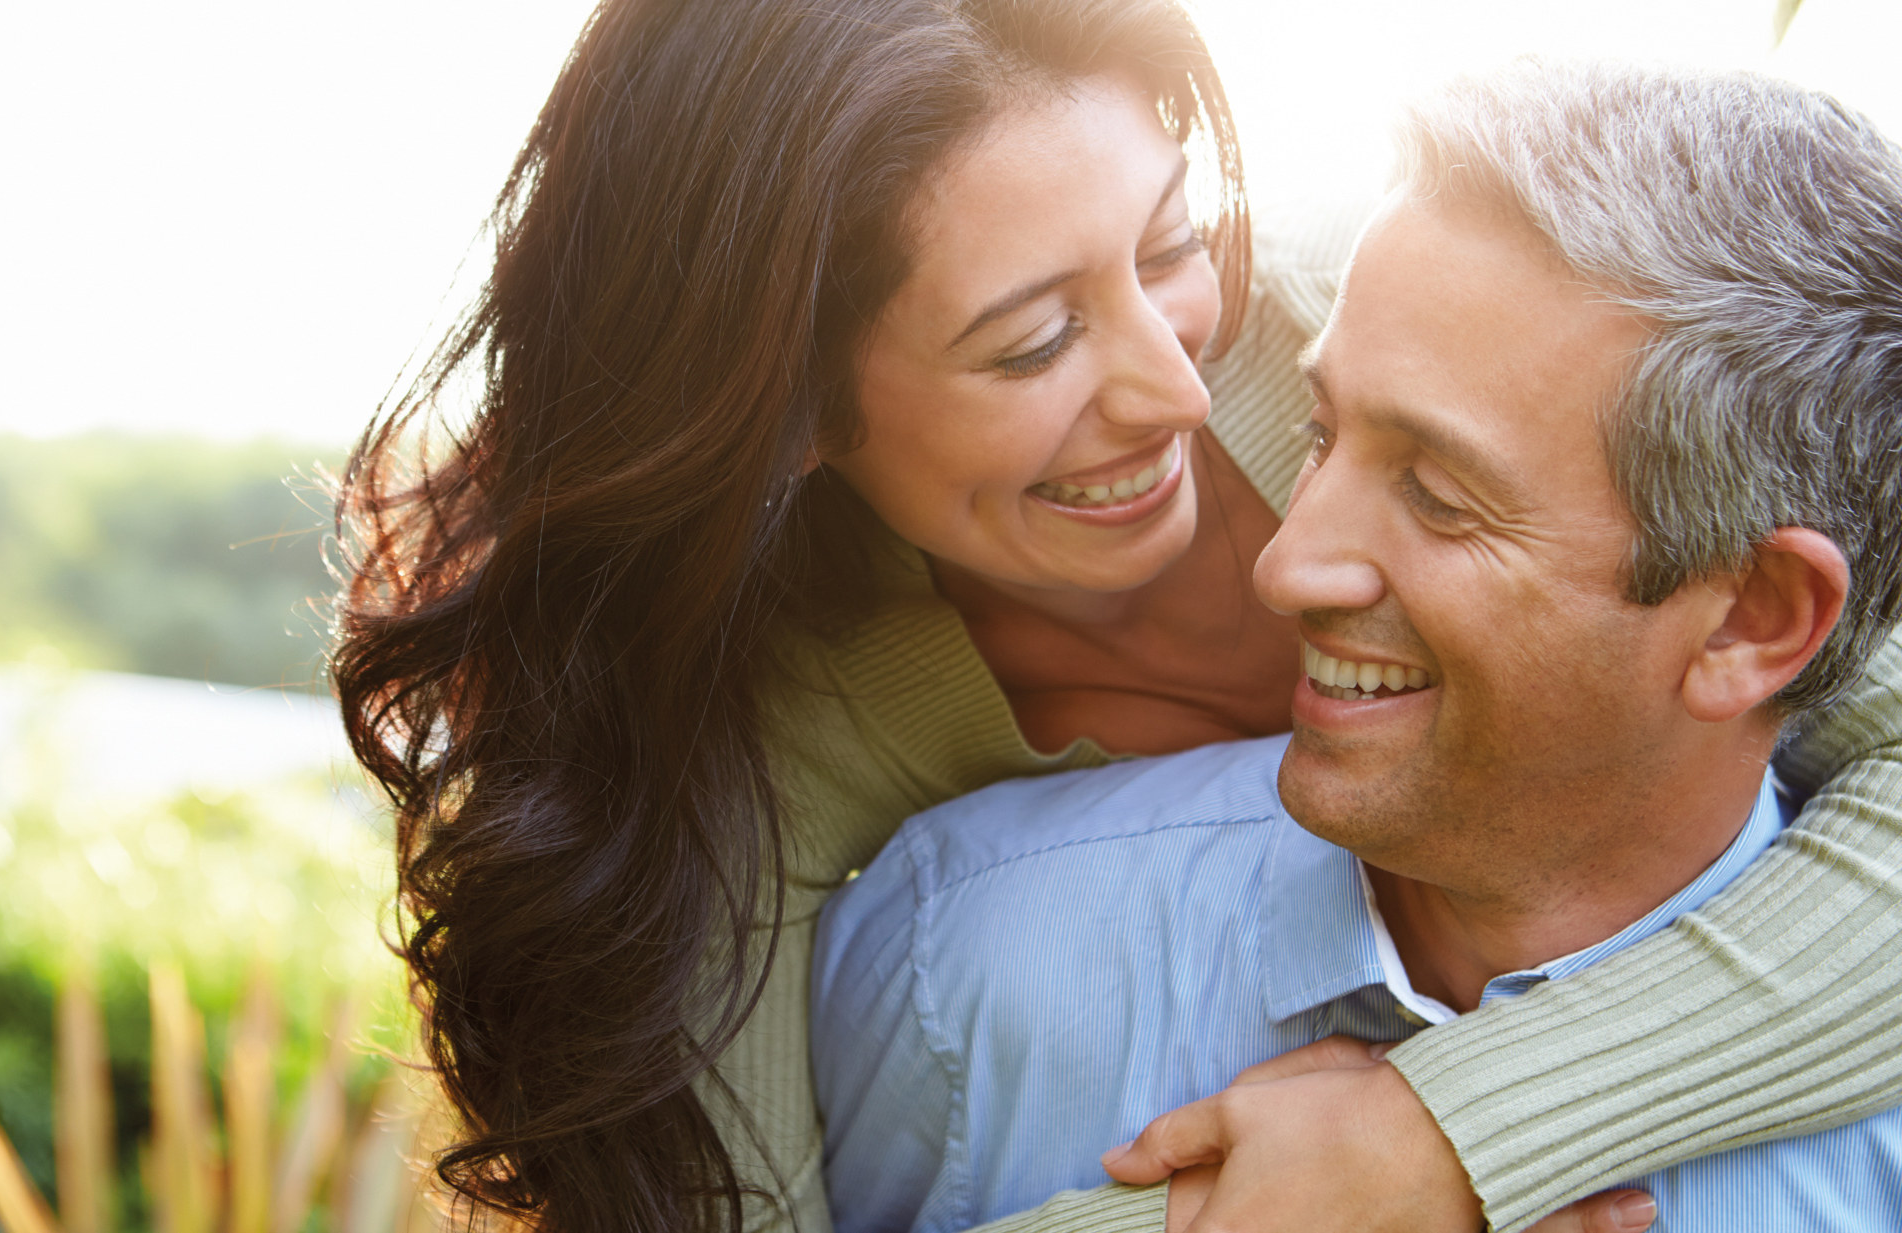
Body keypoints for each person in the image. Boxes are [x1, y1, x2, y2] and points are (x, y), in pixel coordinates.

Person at [327, 0, 1902, 1227]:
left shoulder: (1420, 344)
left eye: (1168, 247)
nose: (1172, 382)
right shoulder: (775, 741)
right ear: (791, 405)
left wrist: (1454, 1133)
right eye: (1030, 344)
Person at [813, 60, 1902, 1233]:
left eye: (1436, 494)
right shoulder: (954, 961)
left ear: (1749, 618)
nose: (1281, 567)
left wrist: (1462, 1132)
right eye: (1317, 431)